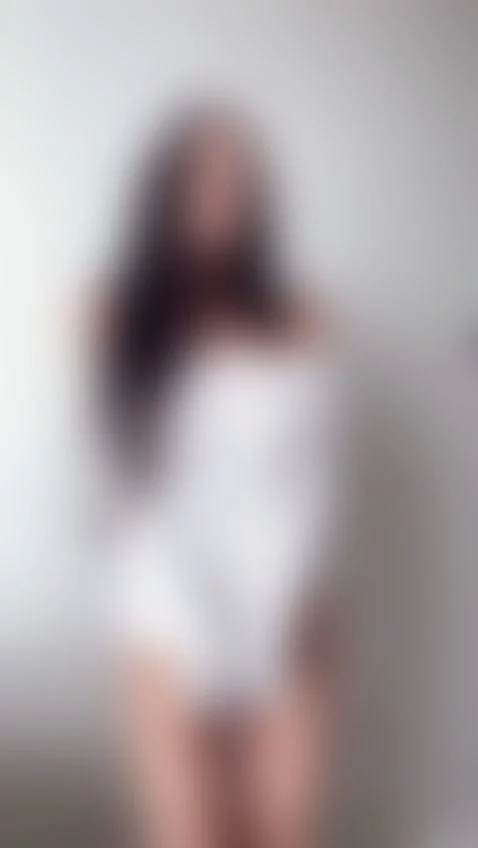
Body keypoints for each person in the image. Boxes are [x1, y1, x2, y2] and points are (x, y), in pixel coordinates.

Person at [100, 105, 344, 848]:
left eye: (241, 179)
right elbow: (133, 488)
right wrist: (178, 614)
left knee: (278, 832)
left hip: (288, 605)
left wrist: (295, 601)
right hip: (167, 611)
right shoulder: (118, 316)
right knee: (192, 834)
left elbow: (314, 477)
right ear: (166, 192)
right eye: (205, 177)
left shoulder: (302, 316)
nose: (224, 196)